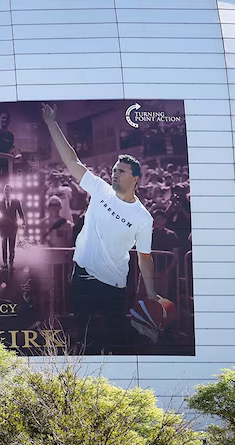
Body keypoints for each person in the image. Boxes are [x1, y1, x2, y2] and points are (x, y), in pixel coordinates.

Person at [41, 103, 159, 350]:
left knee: (116, 344)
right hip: (81, 279)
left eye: (122, 171)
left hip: (114, 287)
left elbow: (145, 258)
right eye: (115, 170)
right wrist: (52, 124)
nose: (115, 174)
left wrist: (151, 295)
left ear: (135, 178)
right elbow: (72, 159)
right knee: (83, 343)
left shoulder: (143, 217)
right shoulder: (99, 189)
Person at [0, 185, 25, 274]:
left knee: (12, 246)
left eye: (8, 190)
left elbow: (21, 213)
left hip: (13, 227)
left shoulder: (16, 202)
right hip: (3, 227)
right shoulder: (0, 202)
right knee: (4, 245)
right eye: (5, 190)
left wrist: (23, 224)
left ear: (11, 191)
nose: (6, 192)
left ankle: (11, 263)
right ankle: (5, 263)